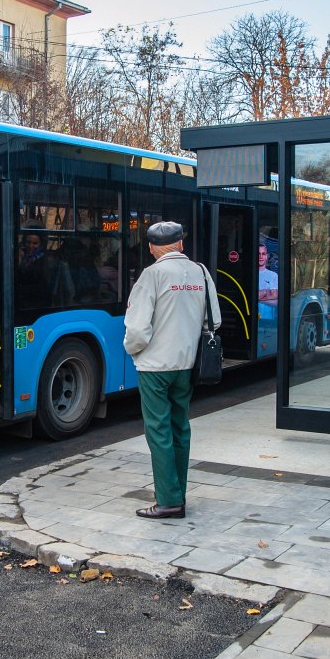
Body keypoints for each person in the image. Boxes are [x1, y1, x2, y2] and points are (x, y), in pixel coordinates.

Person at [123, 221, 221, 519]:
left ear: (152, 247)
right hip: (187, 365)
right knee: (181, 427)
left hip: (155, 367)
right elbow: (213, 321)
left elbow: (138, 329)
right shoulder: (201, 272)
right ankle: (178, 493)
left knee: (158, 430)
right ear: (180, 244)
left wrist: (133, 350)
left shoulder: (151, 275)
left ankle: (168, 500)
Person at [257, 241, 279, 320]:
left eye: (263, 254)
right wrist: (266, 292)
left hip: (268, 319)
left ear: (266, 256)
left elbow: (276, 300)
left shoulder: (273, 276)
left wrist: (258, 297)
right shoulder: (250, 274)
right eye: (258, 254)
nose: (261, 256)